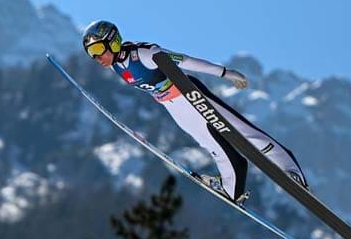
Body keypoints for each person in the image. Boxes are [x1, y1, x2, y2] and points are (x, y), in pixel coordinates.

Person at [81, 20, 308, 204]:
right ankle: (232, 188)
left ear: (113, 41)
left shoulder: (144, 54)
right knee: (211, 144)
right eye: (91, 53)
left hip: (190, 94)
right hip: (172, 106)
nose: (97, 57)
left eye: (99, 49)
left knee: (242, 132)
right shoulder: (114, 65)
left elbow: (185, 61)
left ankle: (290, 170)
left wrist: (224, 73)